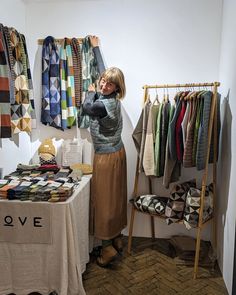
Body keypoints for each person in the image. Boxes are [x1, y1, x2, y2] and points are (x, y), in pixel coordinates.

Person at [82, 36, 127, 267]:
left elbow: (87, 107)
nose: (102, 85)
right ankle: (118, 238)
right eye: (102, 82)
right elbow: (104, 73)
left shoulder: (100, 104)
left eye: (108, 84)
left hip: (107, 158)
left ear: (117, 88)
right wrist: (97, 48)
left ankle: (108, 248)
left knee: (104, 201)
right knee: (116, 198)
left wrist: (90, 91)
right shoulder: (113, 98)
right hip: (118, 153)